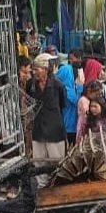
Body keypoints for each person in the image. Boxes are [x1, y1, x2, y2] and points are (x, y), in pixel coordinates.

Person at [25, 53, 66, 184]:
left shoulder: (57, 85)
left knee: (57, 160)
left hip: (55, 129)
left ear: (46, 69)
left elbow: (62, 104)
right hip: (38, 128)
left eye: (37, 69)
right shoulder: (30, 84)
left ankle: (55, 186)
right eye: (34, 69)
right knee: (39, 160)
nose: (34, 72)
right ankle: (42, 186)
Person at [56, 49, 84, 145]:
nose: (71, 61)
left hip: (72, 122)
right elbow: (75, 100)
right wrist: (79, 87)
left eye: (72, 58)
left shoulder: (77, 72)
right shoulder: (67, 70)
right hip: (68, 122)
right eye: (70, 58)